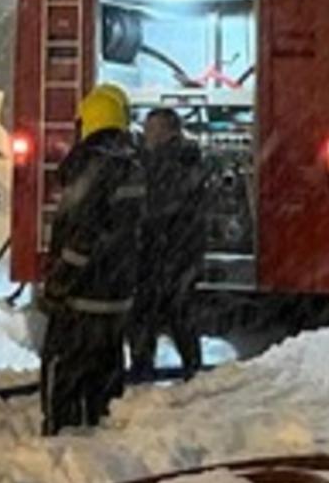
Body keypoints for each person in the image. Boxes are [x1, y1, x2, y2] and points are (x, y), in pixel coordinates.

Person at [40, 83, 145, 436]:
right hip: (116, 300)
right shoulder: (133, 167)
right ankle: (100, 441)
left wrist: (58, 282)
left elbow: (83, 238)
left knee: (63, 371)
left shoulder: (89, 169)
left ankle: (60, 438)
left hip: (81, 300)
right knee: (106, 375)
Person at [129, 107, 207, 379]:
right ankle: (191, 364)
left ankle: (143, 366)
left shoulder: (169, 162)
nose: (147, 135)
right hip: (178, 250)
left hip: (165, 249)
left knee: (147, 311)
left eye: (152, 129)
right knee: (178, 312)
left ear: (167, 132)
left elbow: (158, 205)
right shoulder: (187, 159)